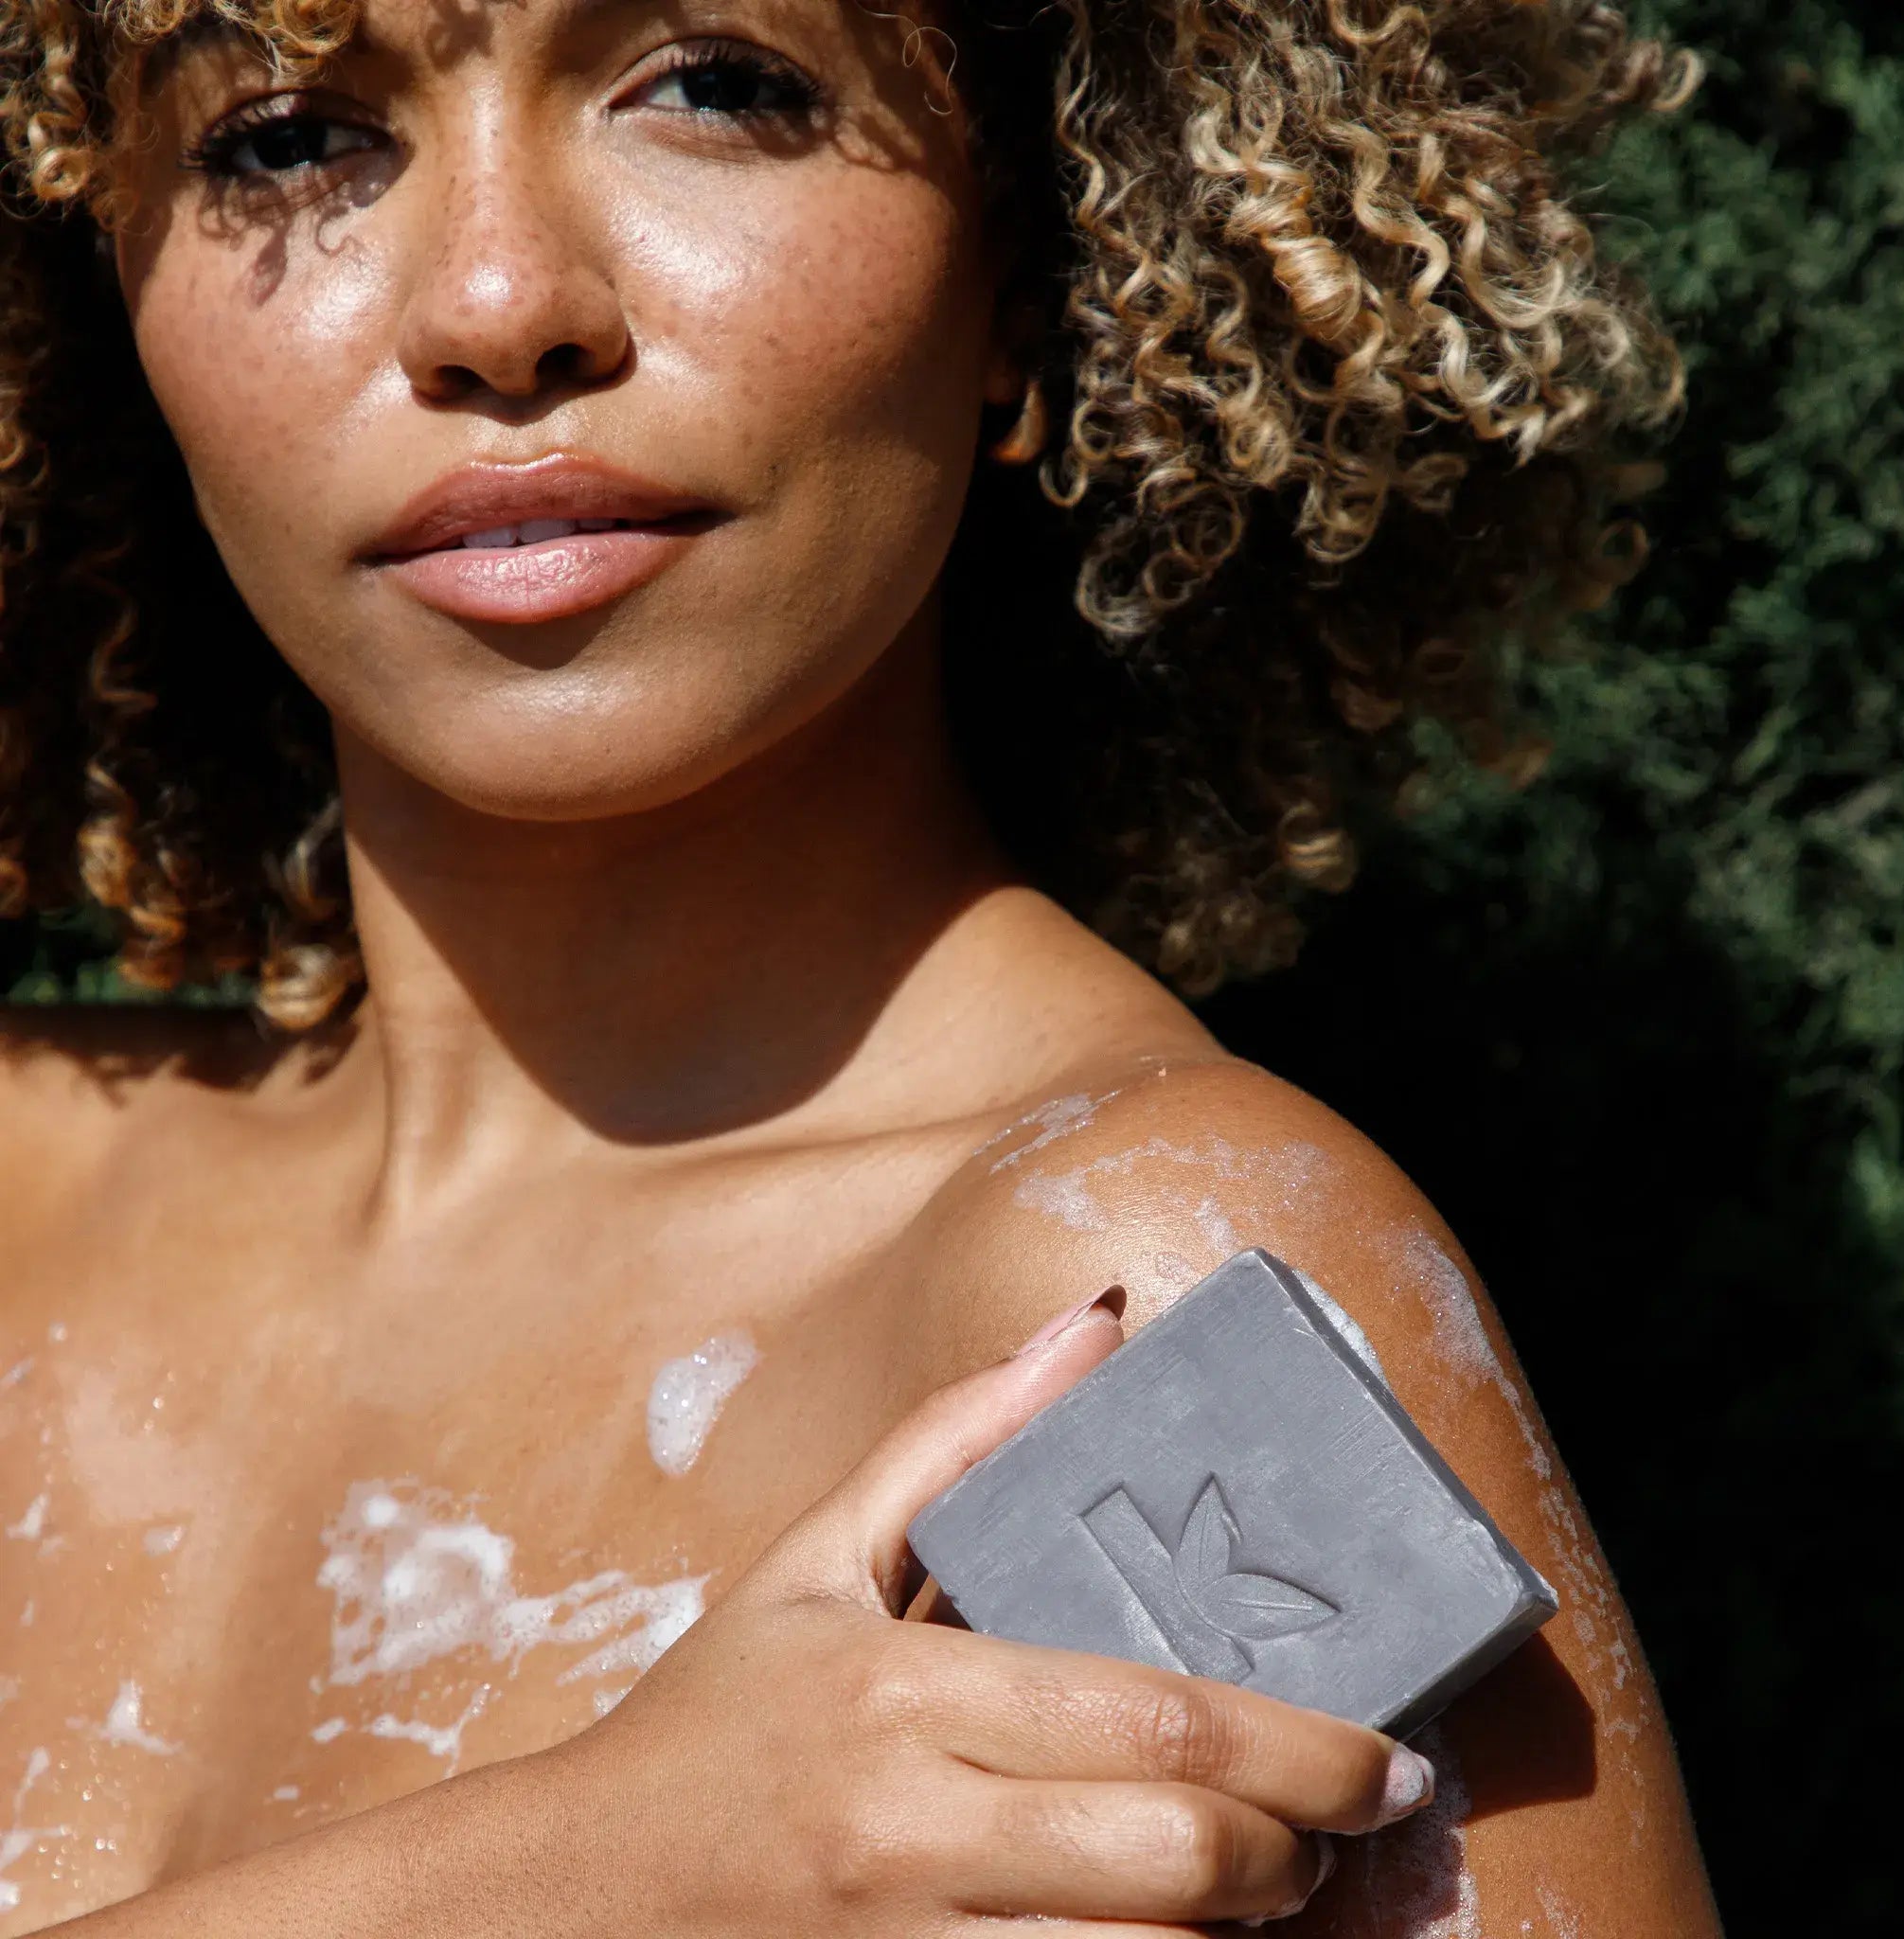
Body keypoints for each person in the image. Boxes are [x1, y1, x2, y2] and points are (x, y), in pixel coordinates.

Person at [0, 1, 1722, 1930]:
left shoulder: (1144, 1301)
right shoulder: (24, 1174)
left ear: (1033, 252)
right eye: (284, 135)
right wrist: (589, 1874)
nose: (496, 301)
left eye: (716, 86)